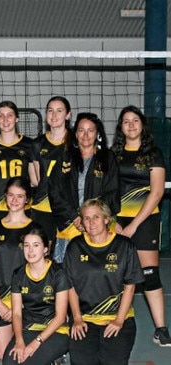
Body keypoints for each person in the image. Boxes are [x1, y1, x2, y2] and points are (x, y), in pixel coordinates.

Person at [112, 105, 171, 346]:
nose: (131, 125)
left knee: (149, 275)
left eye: (135, 120)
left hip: (144, 220)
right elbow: (105, 189)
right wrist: (113, 221)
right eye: (126, 121)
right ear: (121, 127)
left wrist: (134, 225)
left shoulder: (153, 153)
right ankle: (112, 319)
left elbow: (156, 192)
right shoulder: (112, 154)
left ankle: (161, 329)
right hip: (115, 221)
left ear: (142, 125)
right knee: (112, 271)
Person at [64, 198, 143, 365]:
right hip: (85, 319)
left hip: (116, 318)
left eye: (96, 217)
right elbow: (69, 286)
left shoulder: (125, 246)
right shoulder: (75, 246)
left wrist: (119, 320)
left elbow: (130, 286)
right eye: (86, 218)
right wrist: (77, 318)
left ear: (107, 219)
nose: (91, 222)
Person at [0, 177, 41, 360]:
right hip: (1, 302)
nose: (14, 200)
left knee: (27, 354)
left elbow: (41, 271)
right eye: (10, 195)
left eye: (20, 196)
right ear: (5, 197)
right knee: (5, 355)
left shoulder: (36, 229)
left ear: (27, 199)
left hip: (29, 300)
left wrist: (21, 304)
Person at [49, 112, 120, 262]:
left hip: (98, 225)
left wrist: (91, 217)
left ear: (97, 134)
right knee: (67, 274)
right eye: (81, 130)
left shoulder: (108, 158)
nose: (85, 135)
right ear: (75, 134)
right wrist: (75, 217)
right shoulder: (65, 158)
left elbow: (112, 191)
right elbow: (54, 191)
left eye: (90, 130)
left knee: (98, 271)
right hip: (70, 224)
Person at [3, 228, 69, 365]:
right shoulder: (18, 274)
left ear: (46, 249)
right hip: (28, 328)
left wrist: (37, 341)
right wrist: (19, 340)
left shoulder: (58, 274)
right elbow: (16, 313)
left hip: (55, 330)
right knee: (9, 362)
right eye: (26, 245)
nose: (30, 250)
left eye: (36, 245)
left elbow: (61, 317)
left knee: (30, 362)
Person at [0, 101, 37, 230]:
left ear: (17, 119)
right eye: (1, 115)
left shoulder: (29, 145)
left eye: (10, 115)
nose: (5, 120)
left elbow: (34, 179)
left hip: (21, 207)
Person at [30, 96, 72, 245]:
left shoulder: (76, 143)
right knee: (42, 253)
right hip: (43, 207)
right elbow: (36, 180)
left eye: (59, 111)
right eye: (50, 111)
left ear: (68, 115)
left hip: (68, 209)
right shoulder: (37, 144)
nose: (54, 115)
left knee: (68, 255)